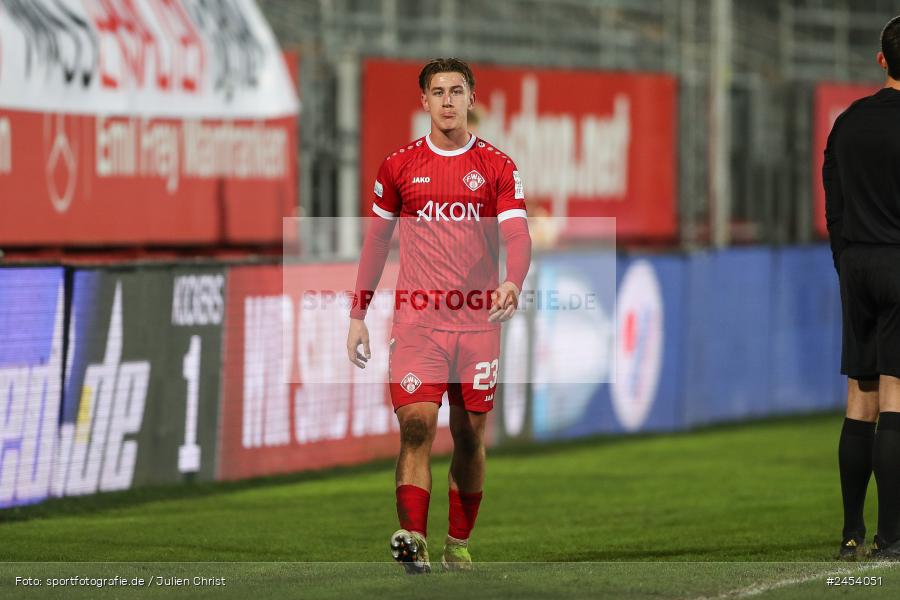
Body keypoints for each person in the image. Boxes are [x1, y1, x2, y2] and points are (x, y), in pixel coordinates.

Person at [346, 58, 532, 573]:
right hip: (418, 324)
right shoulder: (398, 166)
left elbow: (517, 235)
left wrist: (513, 280)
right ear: (423, 102)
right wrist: (358, 313)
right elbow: (376, 243)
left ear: (472, 99)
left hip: (476, 325)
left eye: (456, 91)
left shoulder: (497, 167)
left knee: (470, 434)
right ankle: (412, 539)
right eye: (437, 92)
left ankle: (458, 543)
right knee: (416, 425)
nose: (447, 101)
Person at [825, 14, 900, 561]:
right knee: (897, 398)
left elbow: (834, 208)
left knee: (860, 399)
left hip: (856, 266)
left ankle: (851, 532)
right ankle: (891, 539)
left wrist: (847, 264)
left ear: (882, 60)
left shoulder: (848, 123)